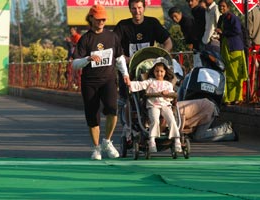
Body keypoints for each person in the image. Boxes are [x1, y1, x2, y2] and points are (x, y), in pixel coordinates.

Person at [72, 5, 130, 160]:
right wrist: (88, 59)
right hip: (90, 82)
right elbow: (75, 63)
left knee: (112, 110)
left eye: (104, 19)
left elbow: (119, 58)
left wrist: (125, 74)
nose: (101, 21)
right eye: (98, 19)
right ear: (91, 18)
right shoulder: (85, 39)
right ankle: (97, 147)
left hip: (109, 80)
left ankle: (107, 141)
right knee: (92, 116)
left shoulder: (112, 37)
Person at [113, 0, 173, 127]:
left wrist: (161, 56)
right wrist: (125, 58)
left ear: (144, 8)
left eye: (139, 8)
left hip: (149, 68)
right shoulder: (122, 26)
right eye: (134, 8)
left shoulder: (152, 23)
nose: (137, 12)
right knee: (127, 97)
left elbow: (168, 42)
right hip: (129, 68)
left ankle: (158, 119)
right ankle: (127, 125)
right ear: (129, 9)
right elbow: (113, 47)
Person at [177, 51, 237, 142]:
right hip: (200, 109)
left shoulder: (193, 73)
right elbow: (221, 100)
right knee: (194, 136)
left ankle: (226, 130)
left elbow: (181, 96)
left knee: (197, 136)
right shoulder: (220, 78)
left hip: (202, 110)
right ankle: (225, 131)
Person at [127, 57, 182, 153]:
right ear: (153, 72)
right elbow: (140, 84)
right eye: (157, 71)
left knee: (171, 119)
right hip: (153, 105)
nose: (159, 73)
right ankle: (152, 139)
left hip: (165, 105)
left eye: (161, 71)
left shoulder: (168, 84)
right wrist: (129, 83)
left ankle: (177, 139)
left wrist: (167, 94)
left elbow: (172, 96)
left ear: (165, 72)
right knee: (155, 120)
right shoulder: (150, 81)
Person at [216, 0, 248, 105]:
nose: (221, 8)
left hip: (234, 49)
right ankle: (228, 98)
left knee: (236, 74)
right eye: (220, 6)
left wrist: (223, 32)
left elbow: (237, 31)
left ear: (228, 7)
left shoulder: (232, 17)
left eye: (223, 6)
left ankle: (237, 97)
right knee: (227, 73)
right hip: (225, 48)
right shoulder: (222, 18)